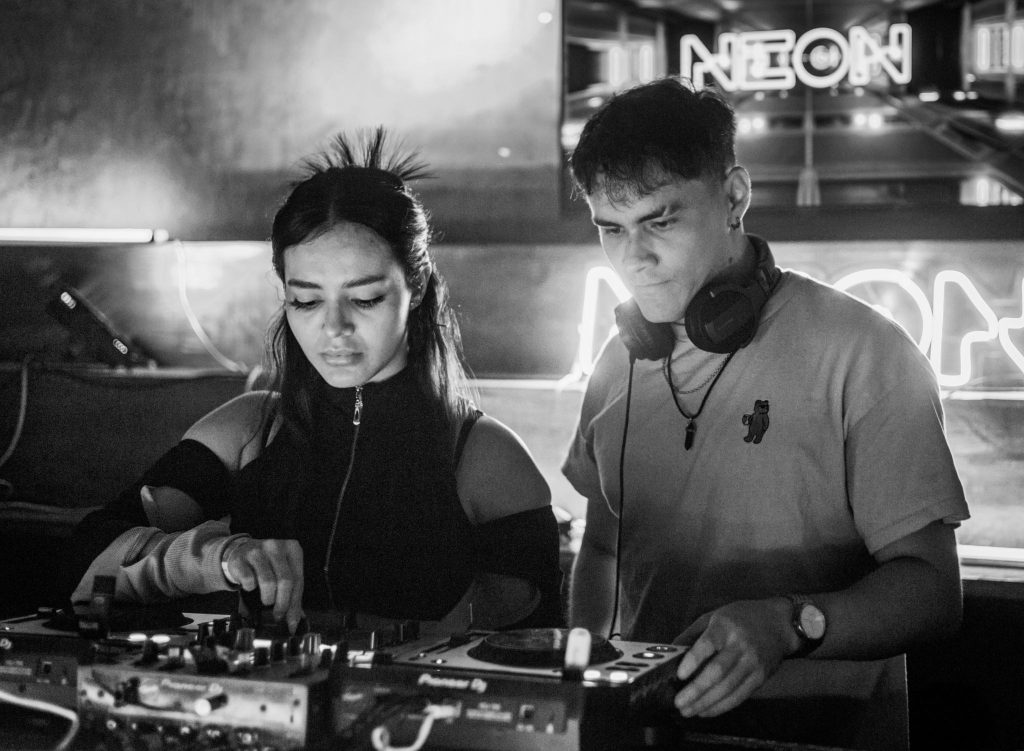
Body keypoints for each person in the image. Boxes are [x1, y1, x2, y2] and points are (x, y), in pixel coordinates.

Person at [562, 77, 969, 750]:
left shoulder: (864, 353)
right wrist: (585, 684)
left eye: (660, 220)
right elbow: (603, 546)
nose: (634, 257)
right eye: (611, 228)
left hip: (822, 736)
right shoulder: (617, 361)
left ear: (734, 197)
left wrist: (787, 624)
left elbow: (932, 590)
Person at [69, 128, 563, 635]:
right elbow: (85, 559)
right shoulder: (247, 432)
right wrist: (218, 557)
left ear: (415, 287)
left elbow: (534, 650)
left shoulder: (485, 458)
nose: (334, 328)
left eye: (365, 298)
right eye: (306, 301)